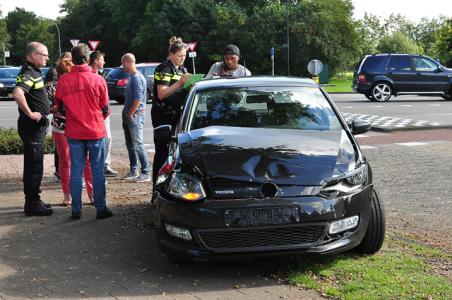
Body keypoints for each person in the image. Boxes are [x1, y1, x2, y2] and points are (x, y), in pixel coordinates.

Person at [54, 43, 112, 220]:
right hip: (95, 130)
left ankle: (76, 210)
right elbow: (105, 108)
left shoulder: (64, 81)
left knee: (76, 170)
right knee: (97, 170)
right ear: (88, 59)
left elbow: (60, 108)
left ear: (72, 59)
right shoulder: (98, 80)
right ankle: (100, 208)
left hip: (74, 131)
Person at [12, 42, 53, 216]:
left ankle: (35, 199)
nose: (47, 58)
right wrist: (30, 113)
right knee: (34, 165)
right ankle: (32, 204)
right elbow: (17, 93)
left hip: (35, 127)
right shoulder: (29, 72)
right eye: (44, 55)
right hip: (32, 127)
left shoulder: (33, 71)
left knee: (34, 163)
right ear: (34, 55)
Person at [51, 54, 94, 206]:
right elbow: (49, 107)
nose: (67, 76)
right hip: (61, 128)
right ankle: (67, 195)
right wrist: (58, 107)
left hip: (79, 126)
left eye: (69, 72)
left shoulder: (77, 82)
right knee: (65, 162)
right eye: (63, 73)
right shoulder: (53, 86)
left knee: (87, 162)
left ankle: (91, 193)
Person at [151, 36, 190, 185]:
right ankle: (157, 189)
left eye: (185, 56)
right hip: (163, 116)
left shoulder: (182, 69)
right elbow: (162, 94)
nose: (183, 59)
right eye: (180, 56)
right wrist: (180, 83)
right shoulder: (163, 68)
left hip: (177, 115)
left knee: (176, 154)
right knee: (162, 153)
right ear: (172, 54)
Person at [121, 53, 151, 182]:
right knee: (130, 144)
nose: (122, 67)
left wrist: (130, 113)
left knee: (138, 144)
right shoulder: (132, 77)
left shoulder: (137, 78)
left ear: (127, 62)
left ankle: (146, 172)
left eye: (123, 64)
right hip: (131, 114)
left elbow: (138, 98)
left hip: (136, 115)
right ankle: (134, 170)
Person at [89, 51, 119, 178]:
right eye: (101, 59)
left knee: (108, 138)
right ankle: (100, 166)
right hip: (98, 114)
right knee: (101, 139)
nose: (104, 62)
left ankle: (105, 164)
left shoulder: (98, 74)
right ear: (95, 61)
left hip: (103, 113)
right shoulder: (90, 75)